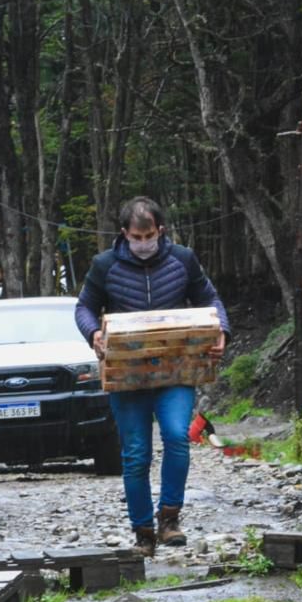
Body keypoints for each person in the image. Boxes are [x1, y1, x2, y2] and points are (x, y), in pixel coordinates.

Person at [74, 196, 230, 557]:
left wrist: (221, 329)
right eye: (136, 237)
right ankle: (143, 532)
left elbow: (210, 299)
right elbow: (84, 306)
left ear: (160, 231)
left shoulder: (183, 260)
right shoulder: (105, 266)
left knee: (177, 436)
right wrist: (93, 333)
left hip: (176, 370)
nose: (143, 244)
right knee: (136, 453)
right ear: (124, 234)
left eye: (149, 236)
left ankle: (170, 519)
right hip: (127, 375)